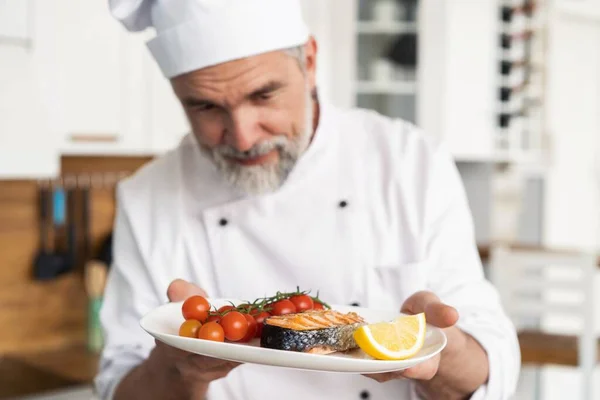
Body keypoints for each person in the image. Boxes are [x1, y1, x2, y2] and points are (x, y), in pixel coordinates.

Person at [96, 0, 521, 399]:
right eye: (206, 107)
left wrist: (437, 349)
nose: (243, 136)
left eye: (263, 95)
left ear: (311, 62)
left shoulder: (411, 162)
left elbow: (491, 367)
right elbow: (118, 383)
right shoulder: (146, 197)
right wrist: (176, 369)